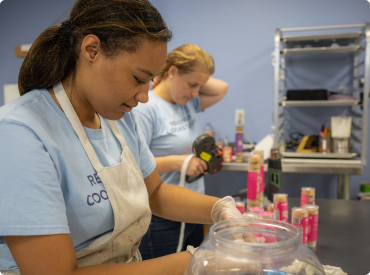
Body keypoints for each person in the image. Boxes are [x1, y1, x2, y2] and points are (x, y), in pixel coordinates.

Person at [0, 1, 248, 275]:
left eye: (150, 81)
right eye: (137, 79)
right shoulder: (20, 133)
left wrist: (220, 209)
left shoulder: (118, 118)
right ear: (92, 50)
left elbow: (155, 192)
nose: (144, 97)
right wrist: (192, 263)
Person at [135, 44, 228, 259]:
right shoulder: (146, 109)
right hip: (162, 214)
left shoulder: (187, 102)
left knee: (190, 267)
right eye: (192, 84)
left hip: (193, 205)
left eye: (200, 86)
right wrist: (179, 162)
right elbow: (135, 166)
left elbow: (221, 88)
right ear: (173, 72)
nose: (196, 92)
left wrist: (196, 72)